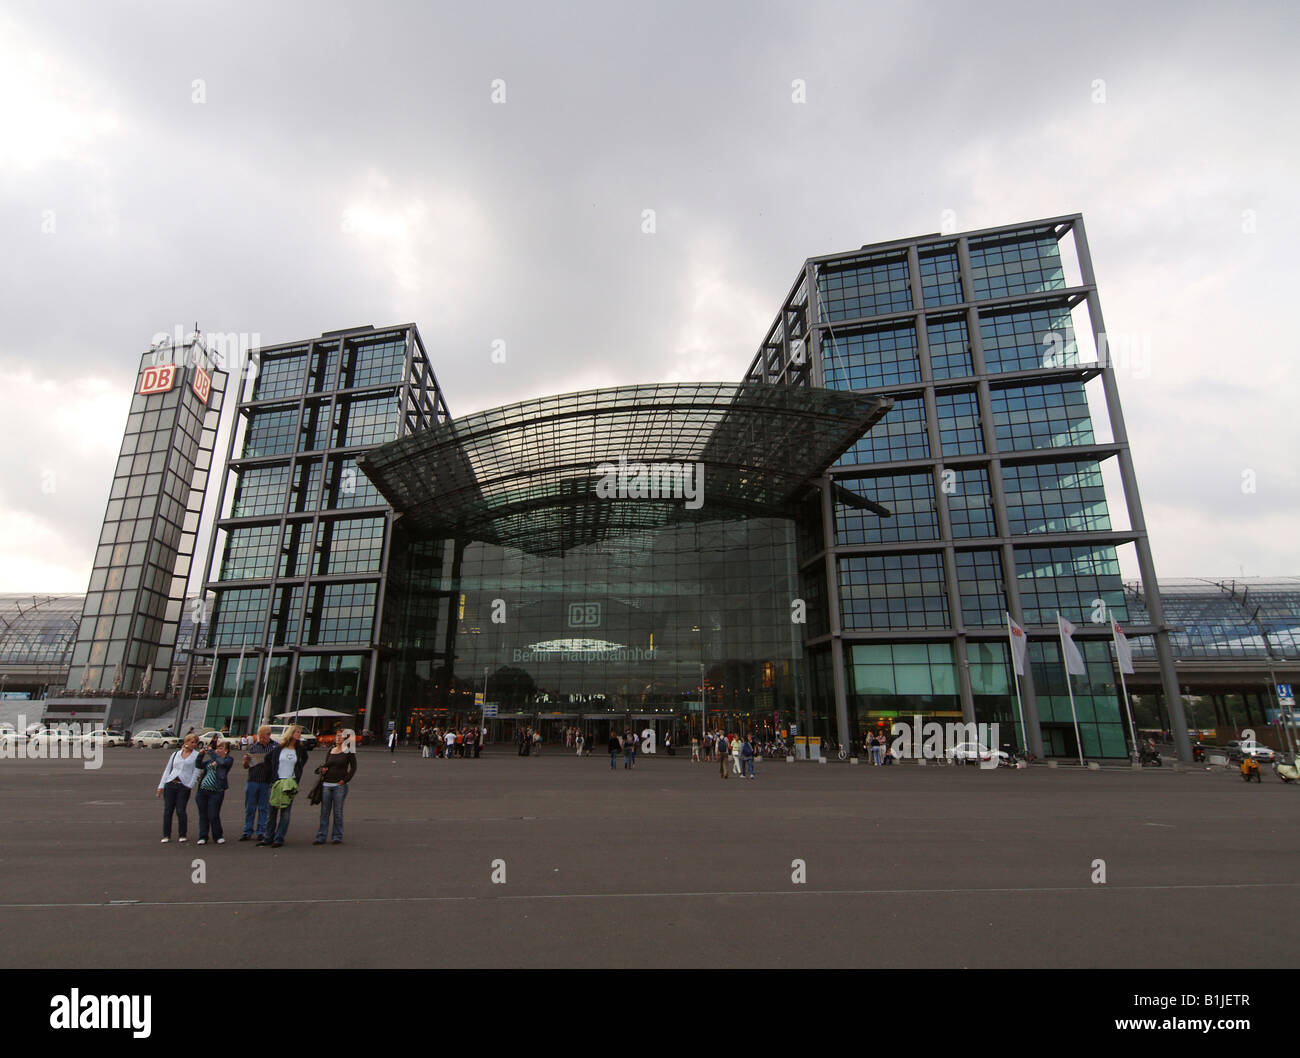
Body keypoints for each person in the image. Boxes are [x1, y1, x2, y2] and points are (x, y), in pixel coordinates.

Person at [260, 726, 310, 848]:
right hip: (277, 781)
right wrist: (273, 774)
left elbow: (304, 760)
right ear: (290, 733)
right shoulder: (279, 748)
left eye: (300, 732)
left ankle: (279, 838)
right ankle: (268, 837)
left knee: (285, 812)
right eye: (296, 732)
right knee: (272, 810)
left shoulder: (299, 749)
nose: (298, 734)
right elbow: (267, 759)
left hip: (290, 782)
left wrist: (297, 772)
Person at [314, 729, 357, 845]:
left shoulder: (348, 752)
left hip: (339, 785)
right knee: (324, 812)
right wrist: (322, 770)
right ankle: (321, 836)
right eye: (337, 736)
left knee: (337, 812)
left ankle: (337, 836)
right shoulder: (331, 750)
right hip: (326, 784)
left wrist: (345, 780)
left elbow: (353, 768)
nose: (338, 738)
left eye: (341, 736)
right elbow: (326, 764)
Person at [156, 733, 201, 842]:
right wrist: (161, 786)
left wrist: (189, 785)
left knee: (181, 810)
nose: (193, 744)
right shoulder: (176, 754)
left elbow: (196, 772)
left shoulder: (196, 755)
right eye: (191, 742)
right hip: (171, 783)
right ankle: (166, 835)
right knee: (168, 810)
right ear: (186, 742)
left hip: (183, 785)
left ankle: (182, 834)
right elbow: (168, 770)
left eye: (195, 742)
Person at [194, 739, 234, 844]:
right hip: (203, 790)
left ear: (226, 751)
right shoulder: (211, 761)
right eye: (217, 748)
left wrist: (211, 752)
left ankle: (218, 835)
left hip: (216, 791)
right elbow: (198, 765)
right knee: (203, 814)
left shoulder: (228, 760)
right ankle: (203, 836)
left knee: (213, 814)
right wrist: (201, 754)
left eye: (221, 748)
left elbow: (222, 763)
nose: (218, 750)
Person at [241, 725, 275, 842]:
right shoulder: (254, 747)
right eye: (259, 737)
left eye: (263, 737)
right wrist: (246, 761)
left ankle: (261, 831)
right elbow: (245, 766)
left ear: (269, 735)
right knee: (249, 807)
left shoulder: (275, 747)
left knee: (263, 808)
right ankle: (247, 831)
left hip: (266, 781)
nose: (261, 739)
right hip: (253, 779)